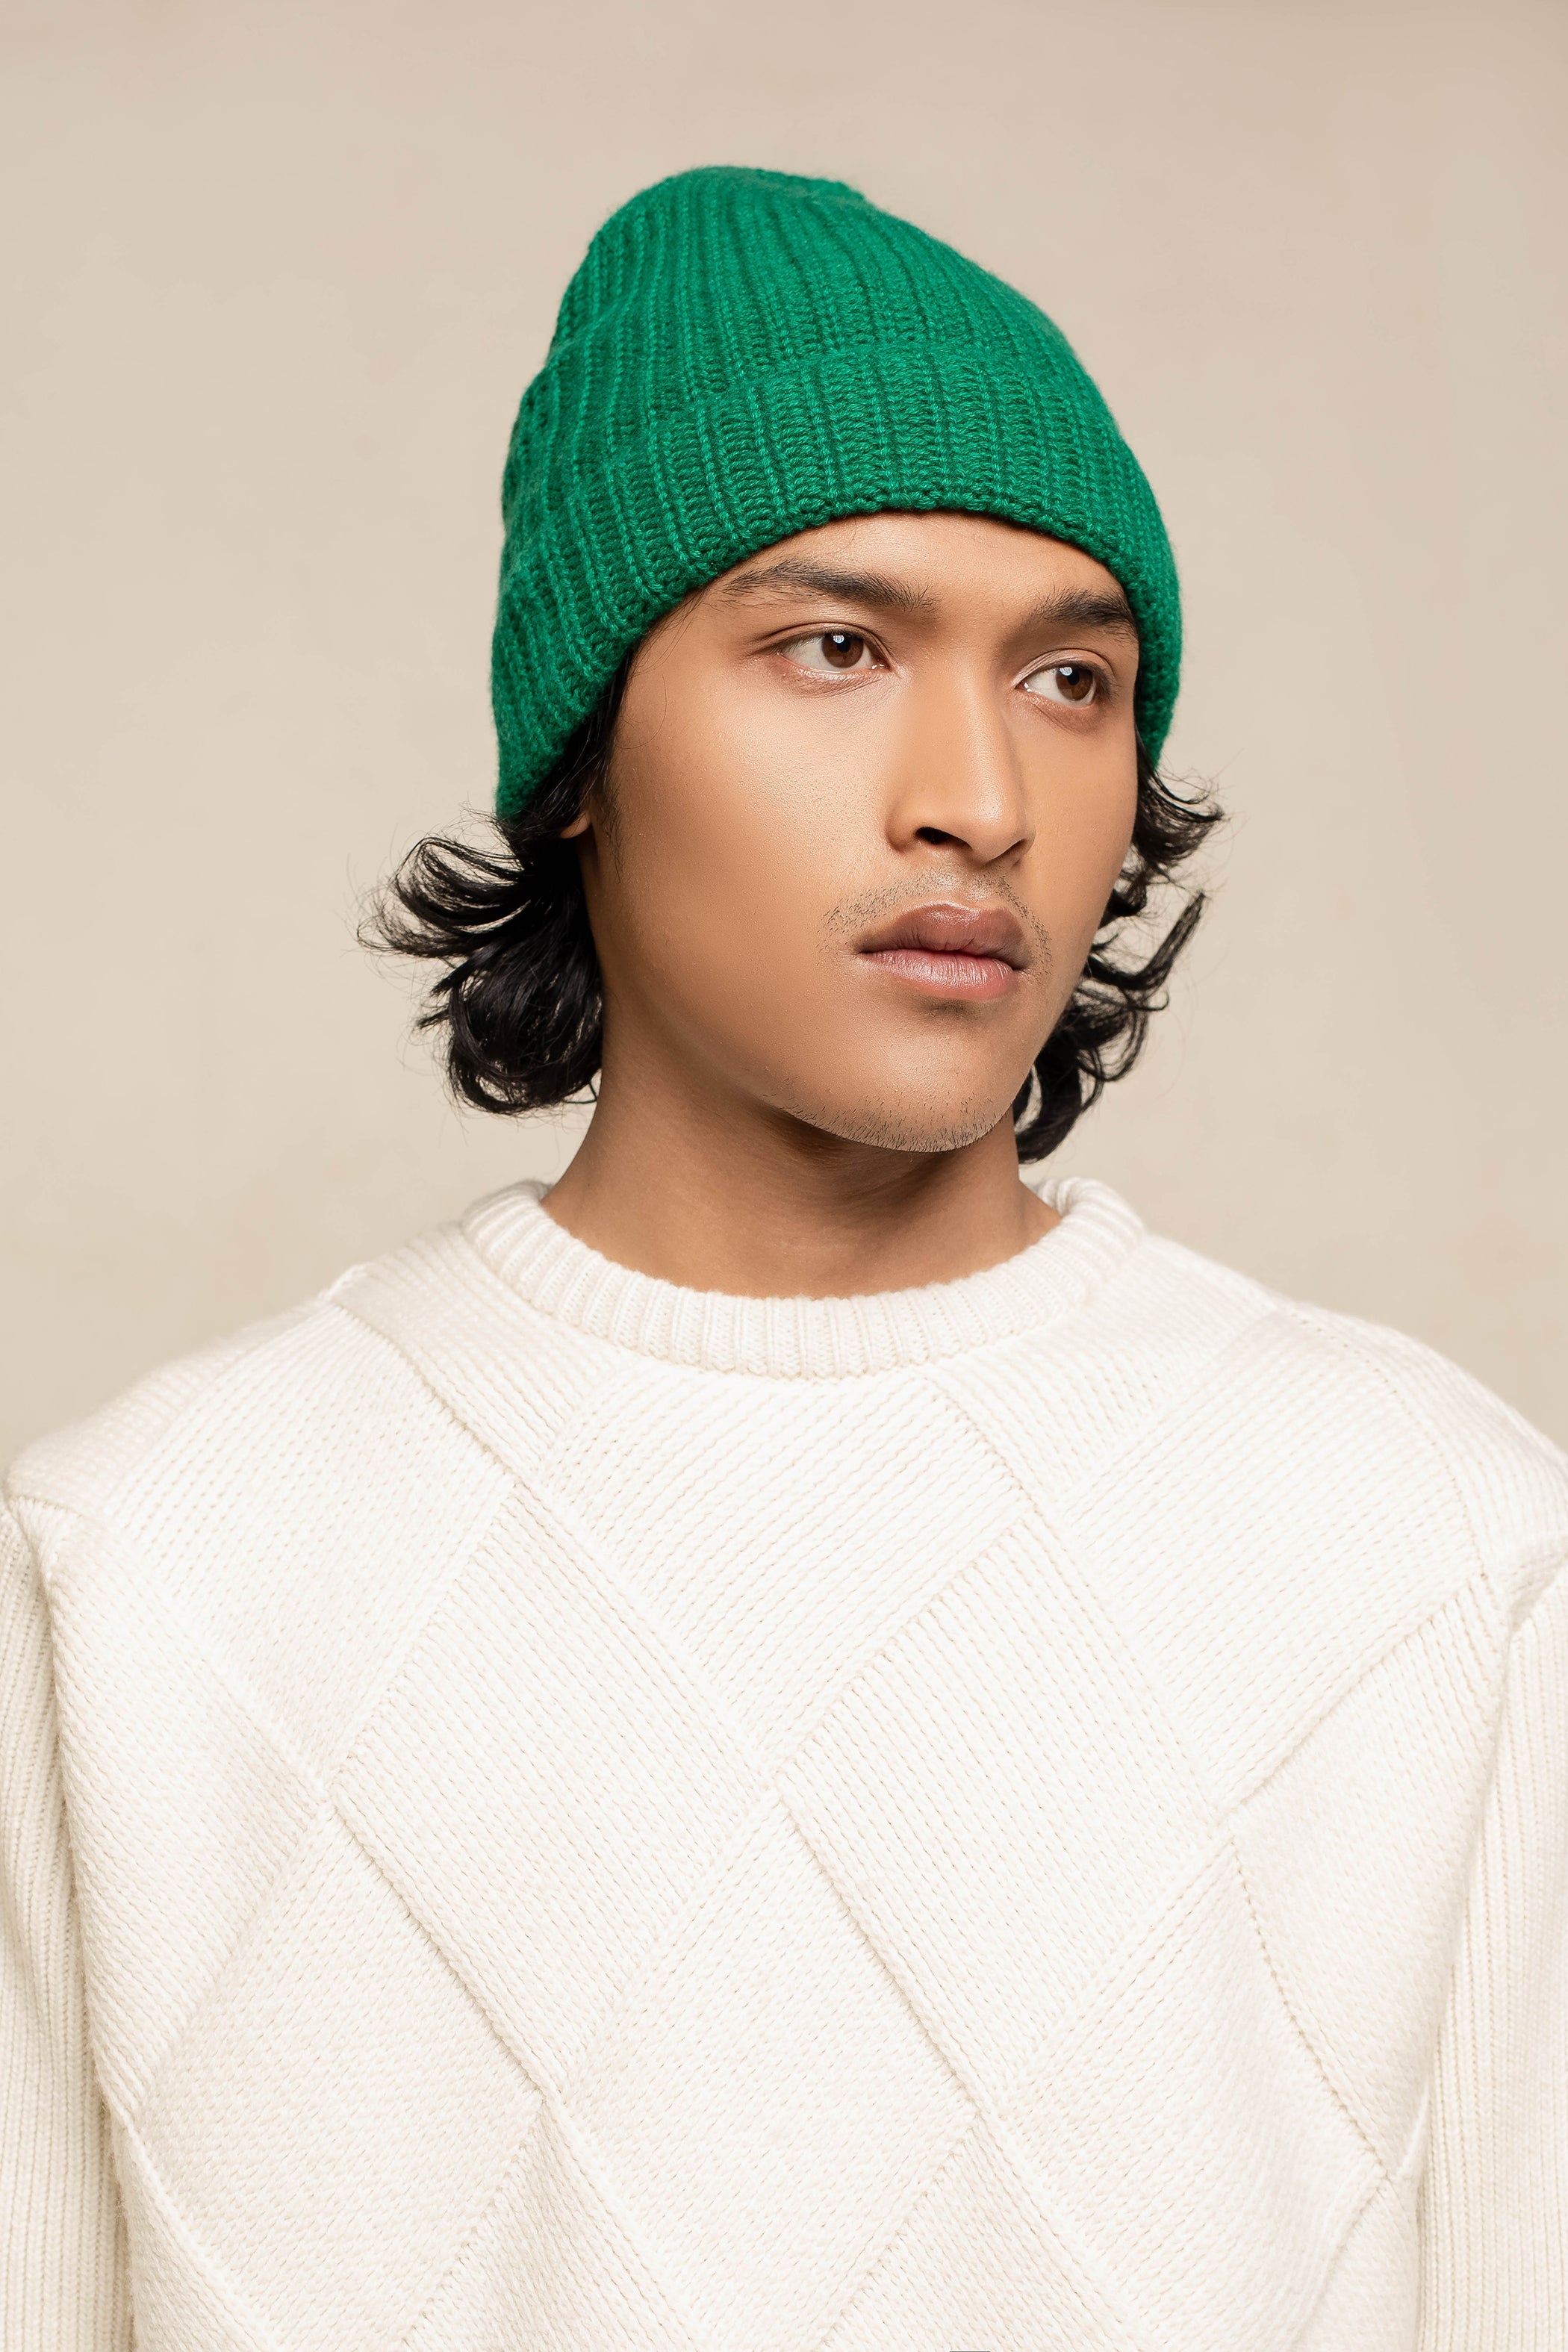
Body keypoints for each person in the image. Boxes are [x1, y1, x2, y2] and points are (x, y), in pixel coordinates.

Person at [2, 166, 1564, 2352]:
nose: (979, 799)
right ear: (581, 757)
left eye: (1071, 678)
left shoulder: (1441, 1550)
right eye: (835, 647)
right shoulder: (140, 1572)